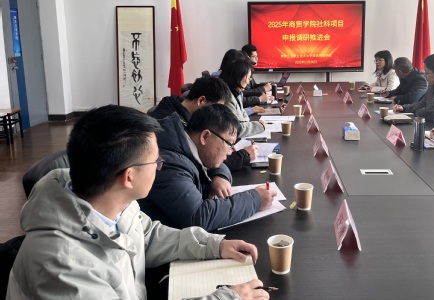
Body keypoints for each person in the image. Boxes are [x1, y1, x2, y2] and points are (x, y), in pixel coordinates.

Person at [7, 105, 269, 300]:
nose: (160, 166)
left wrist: (214, 245)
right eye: (156, 161)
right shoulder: (63, 267)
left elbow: (148, 235)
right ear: (129, 177)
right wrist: (227, 297)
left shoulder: (115, 201)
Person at [139, 104, 276, 231]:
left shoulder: (186, 139)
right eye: (229, 144)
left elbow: (215, 162)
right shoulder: (167, 164)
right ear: (205, 137)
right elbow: (198, 216)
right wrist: (255, 200)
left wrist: (219, 176)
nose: (230, 152)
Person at [149, 76, 259, 171]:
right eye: (215, 108)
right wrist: (243, 156)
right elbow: (203, 161)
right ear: (201, 100)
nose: (217, 114)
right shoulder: (171, 126)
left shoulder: (182, 112)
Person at [219, 58, 266, 138]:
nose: (248, 81)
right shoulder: (226, 98)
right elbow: (235, 130)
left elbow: (243, 116)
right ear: (238, 76)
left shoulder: (237, 92)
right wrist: (259, 126)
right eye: (248, 78)